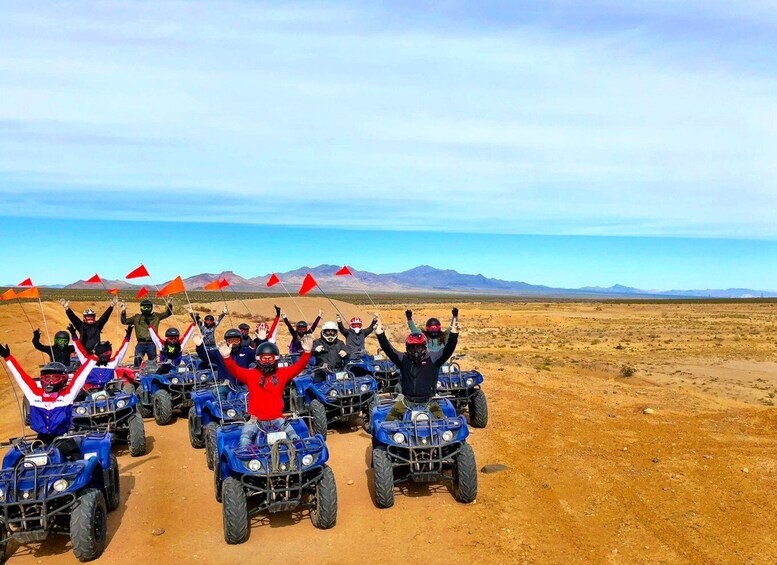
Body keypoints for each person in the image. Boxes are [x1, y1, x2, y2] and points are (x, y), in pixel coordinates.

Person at [218, 335, 313, 447]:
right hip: (255, 420)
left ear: (276, 359)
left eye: (270, 358)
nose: (267, 362)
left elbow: (299, 366)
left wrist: (307, 352)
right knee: (244, 443)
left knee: (296, 441)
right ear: (258, 359)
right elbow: (234, 369)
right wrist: (227, 357)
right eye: (264, 358)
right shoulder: (250, 375)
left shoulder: (283, 373)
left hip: (278, 419)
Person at [0, 343, 97, 444]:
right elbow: (20, 376)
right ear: (42, 380)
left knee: (78, 458)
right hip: (40, 441)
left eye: (54, 378)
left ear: (63, 380)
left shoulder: (67, 396)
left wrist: (95, 357)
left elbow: (80, 375)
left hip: (63, 439)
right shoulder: (34, 394)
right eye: (47, 378)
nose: (50, 382)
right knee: (19, 458)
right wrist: (8, 357)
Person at [374, 316, 459, 421]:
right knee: (387, 425)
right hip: (406, 402)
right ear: (407, 347)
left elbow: (448, 350)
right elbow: (389, 350)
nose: (415, 350)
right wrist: (380, 334)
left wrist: (454, 334)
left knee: (444, 426)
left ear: (424, 347)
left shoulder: (433, 358)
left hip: (429, 402)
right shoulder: (403, 359)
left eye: (418, 347)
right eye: (412, 347)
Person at [120, 298, 174, 367]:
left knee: (153, 364)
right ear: (141, 308)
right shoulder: (137, 317)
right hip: (140, 344)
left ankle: (152, 377)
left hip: (151, 343)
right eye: (144, 307)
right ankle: (136, 376)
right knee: (137, 364)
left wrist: (169, 304)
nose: (146, 309)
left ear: (151, 308)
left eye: (148, 307)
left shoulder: (156, 316)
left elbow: (168, 313)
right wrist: (123, 311)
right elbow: (124, 321)